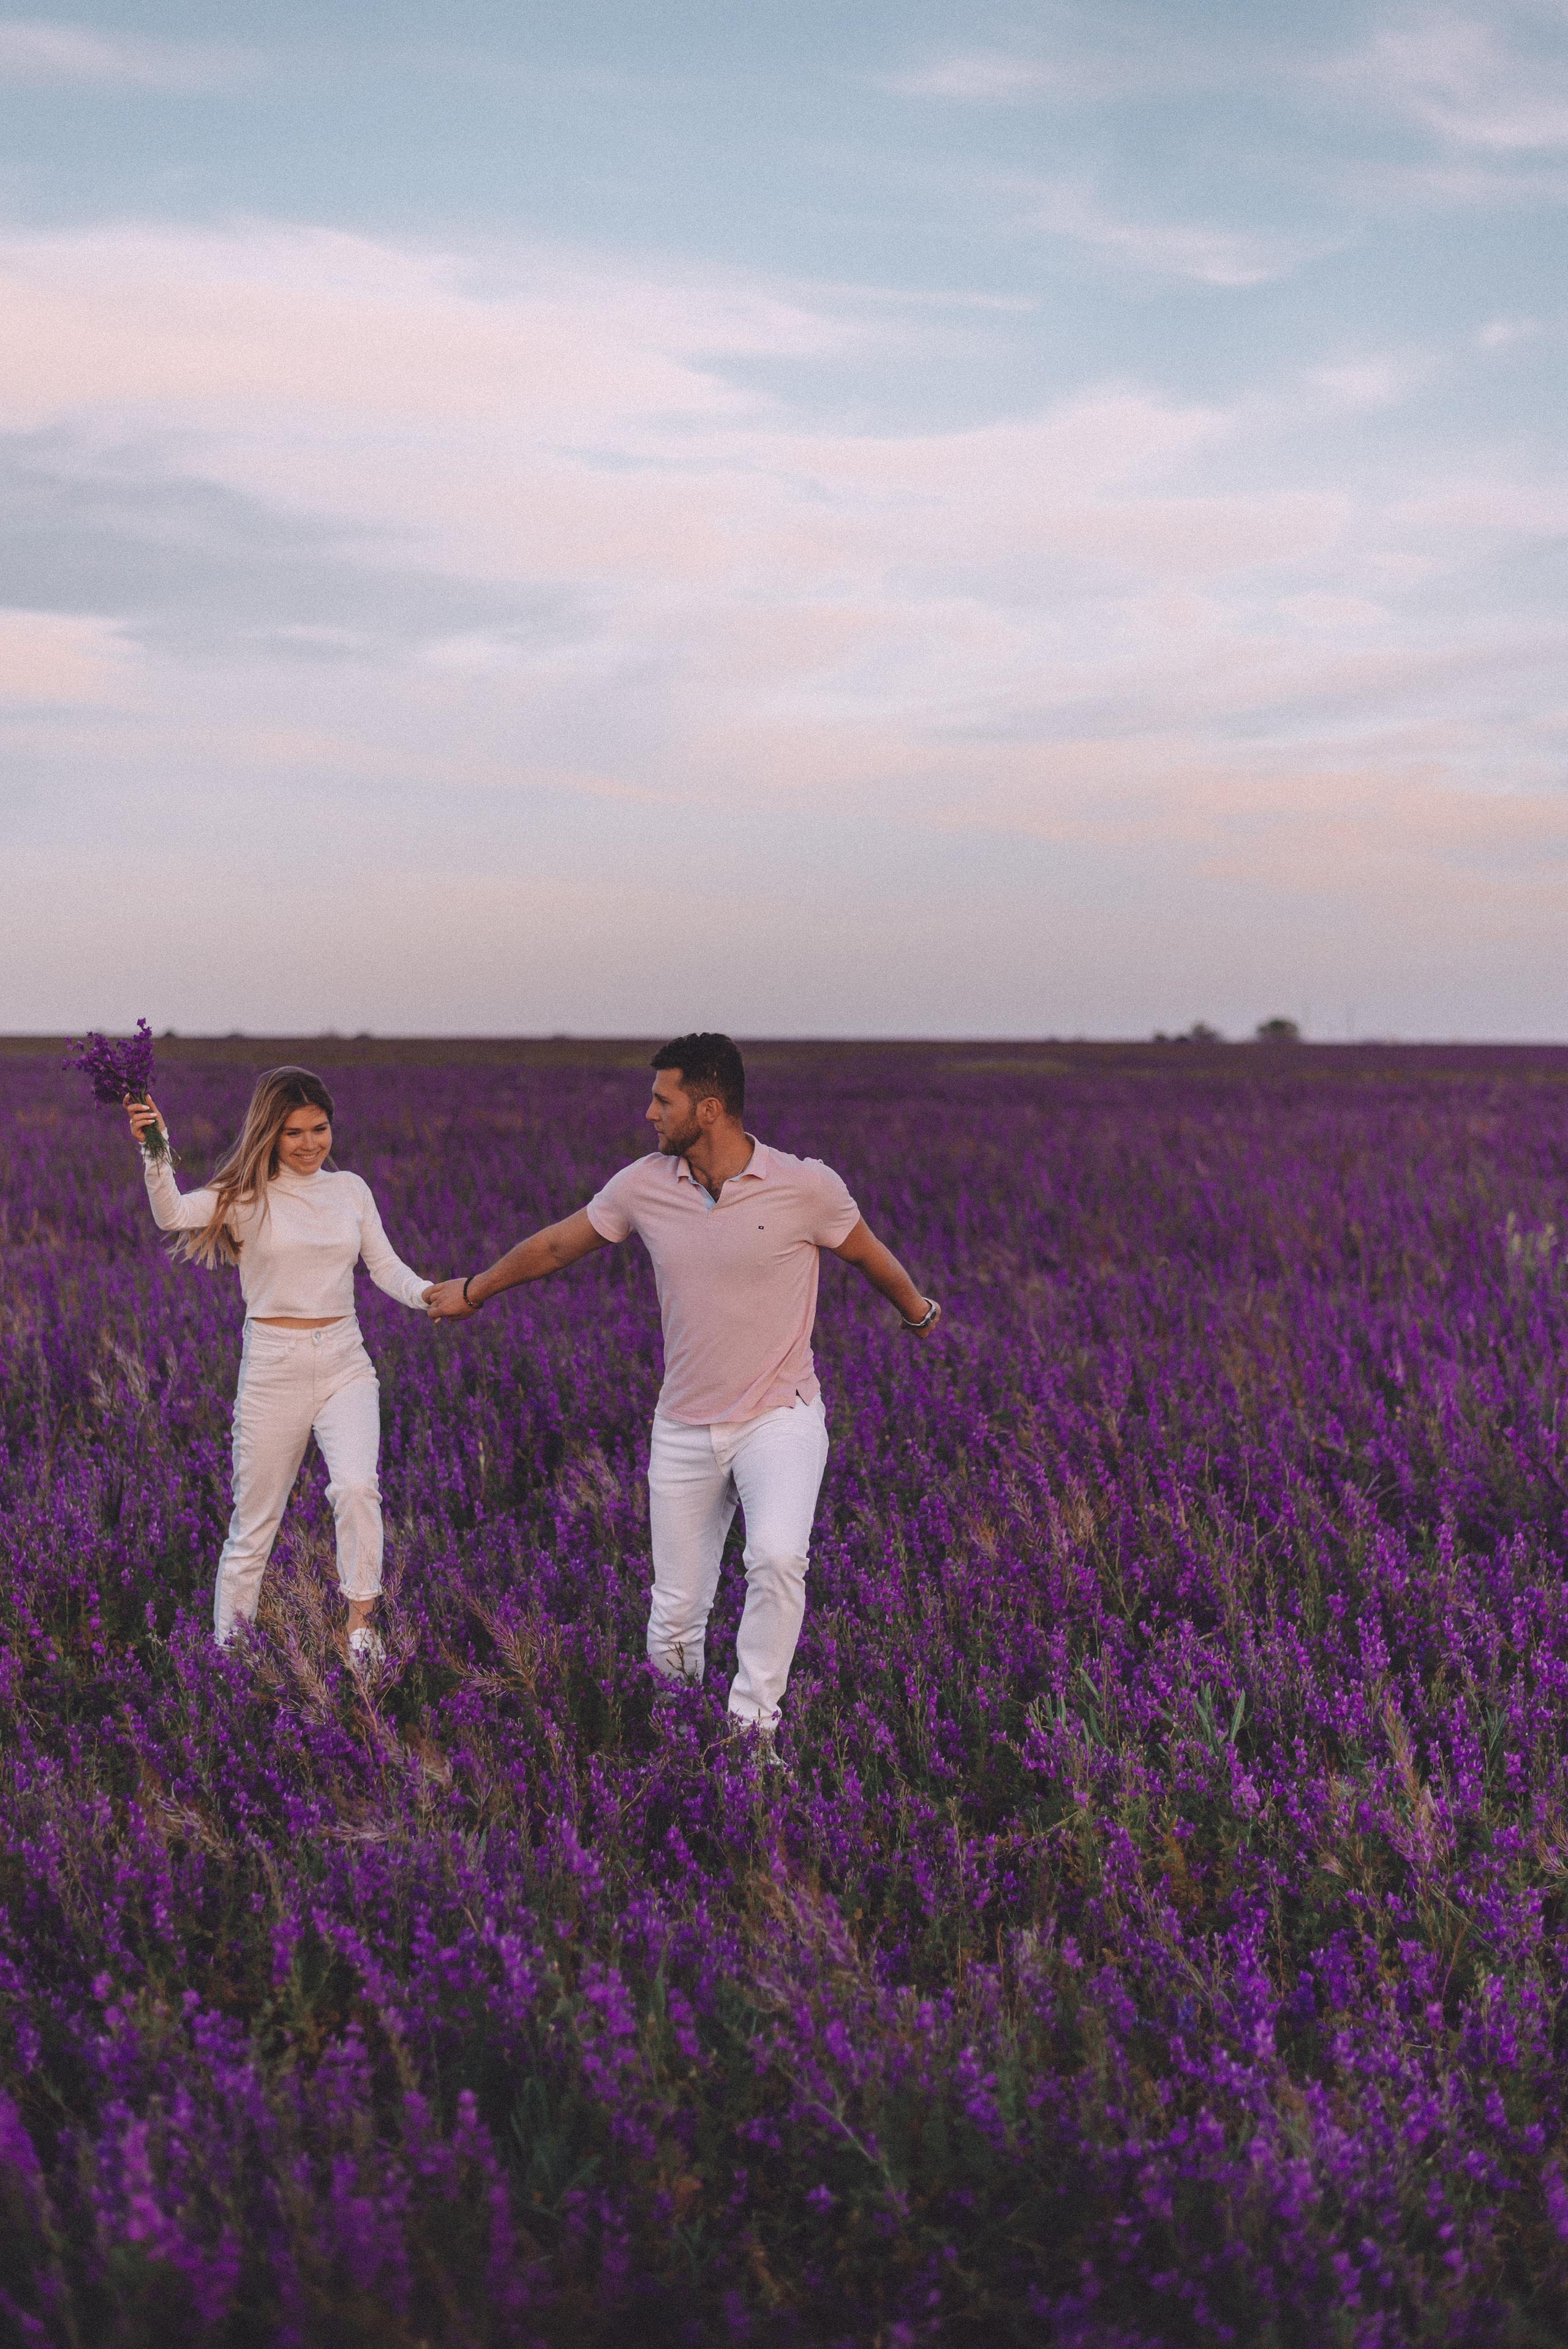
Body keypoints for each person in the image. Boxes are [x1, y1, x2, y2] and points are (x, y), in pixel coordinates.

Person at [426, 1032, 940, 1750]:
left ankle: (750, 1735)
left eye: (661, 1101)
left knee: (778, 1559)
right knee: (673, 1612)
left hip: (779, 1417)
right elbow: (555, 1246)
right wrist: (474, 1292)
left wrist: (917, 1310)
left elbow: (867, 1254)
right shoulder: (643, 1185)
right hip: (683, 1427)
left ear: (708, 1108)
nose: (648, 1114)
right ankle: (675, 1738)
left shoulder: (806, 1186)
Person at [125, 1067, 434, 1659]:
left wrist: (427, 1295)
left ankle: (361, 1631)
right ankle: (230, 1661)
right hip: (273, 1366)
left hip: (345, 1359)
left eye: (320, 1129)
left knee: (356, 1488)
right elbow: (172, 1214)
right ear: (270, 1132)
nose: (310, 1144)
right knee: (254, 1527)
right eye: (294, 1132)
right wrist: (156, 1148)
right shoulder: (246, 1195)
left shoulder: (352, 1191)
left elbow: (386, 1267)